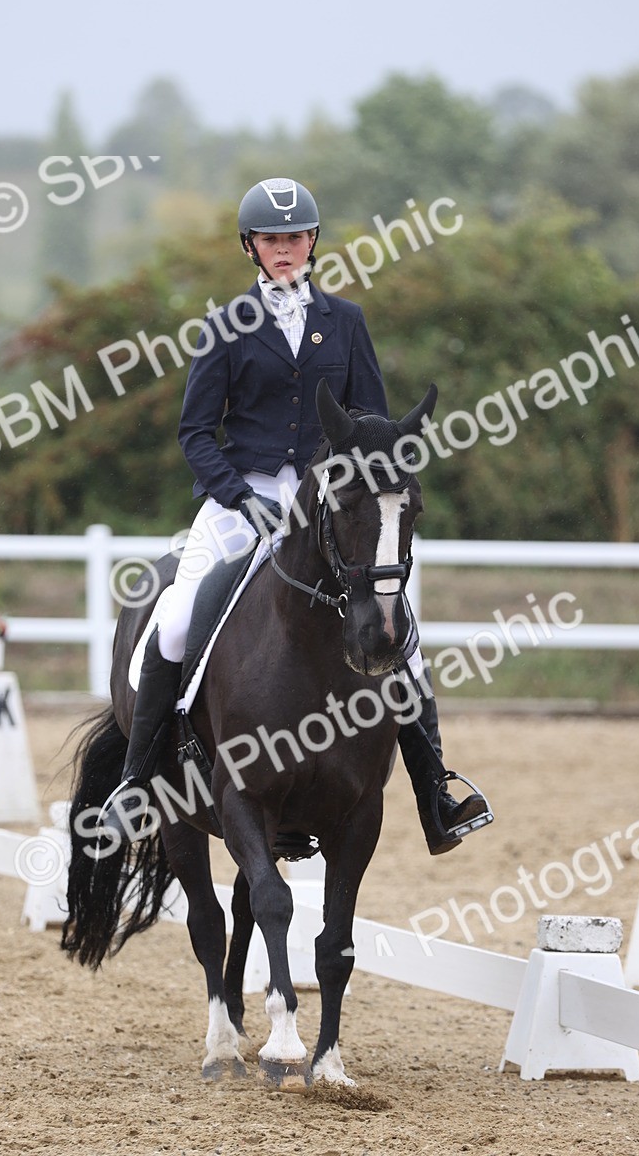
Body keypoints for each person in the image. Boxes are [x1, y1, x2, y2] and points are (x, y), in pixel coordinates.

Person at [101, 177, 491, 857]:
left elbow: (368, 418)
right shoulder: (225, 327)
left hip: (327, 503)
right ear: (251, 247)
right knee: (174, 620)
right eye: (272, 239)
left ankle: (436, 793)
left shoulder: (345, 321)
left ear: (313, 243)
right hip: (240, 497)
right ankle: (135, 785)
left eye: (295, 238)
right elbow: (196, 433)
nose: (285, 249)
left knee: (402, 639)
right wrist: (236, 493)